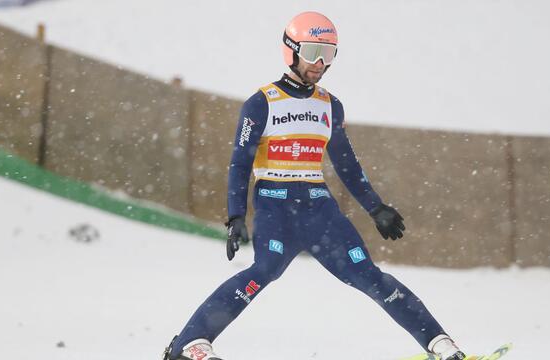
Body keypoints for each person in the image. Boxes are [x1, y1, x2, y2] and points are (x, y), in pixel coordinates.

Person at [163, 11, 465, 360]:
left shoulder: (330, 106)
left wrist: (375, 207)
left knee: (368, 275)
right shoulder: (261, 103)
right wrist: (235, 216)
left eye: (329, 53)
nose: (320, 63)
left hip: (320, 210)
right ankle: (190, 342)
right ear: (290, 51)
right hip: (275, 206)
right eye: (311, 52)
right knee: (263, 271)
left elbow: (347, 164)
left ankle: (440, 344)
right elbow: (240, 162)